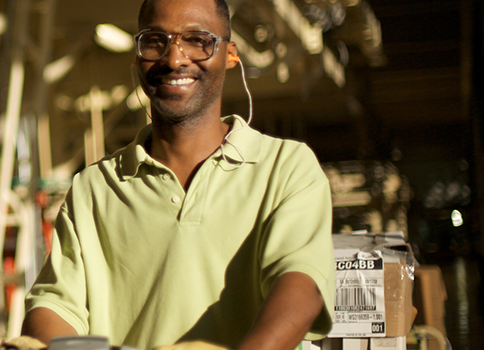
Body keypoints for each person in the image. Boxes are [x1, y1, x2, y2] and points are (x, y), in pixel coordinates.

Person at [21, 0, 336, 349]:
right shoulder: (95, 188)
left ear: (230, 54)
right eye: (155, 41)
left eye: (198, 40)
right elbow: (55, 305)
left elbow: (299, 285)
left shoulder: (285, 167)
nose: (174, 59)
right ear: (137, 56)